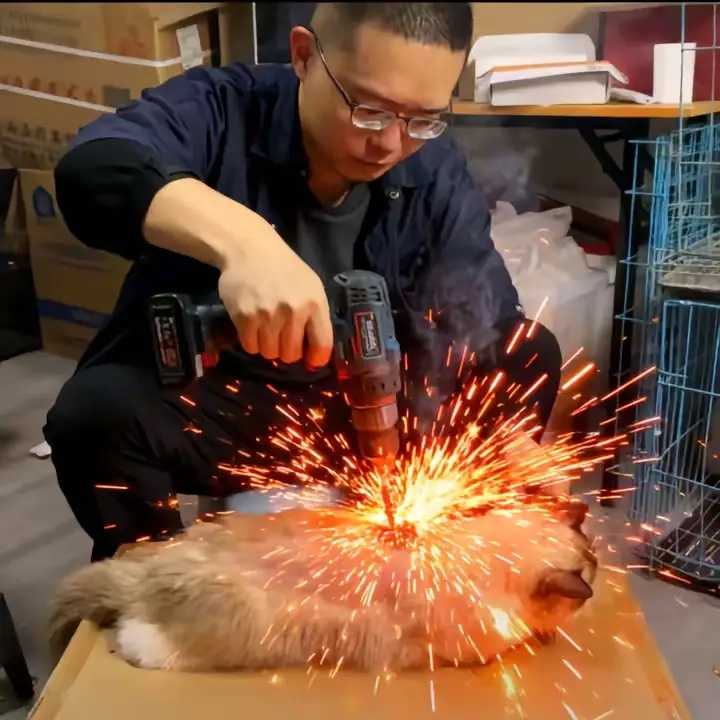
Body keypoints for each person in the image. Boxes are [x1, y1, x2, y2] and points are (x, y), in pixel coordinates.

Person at [45, 3, 562, 562]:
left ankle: (435, 552)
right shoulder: (220, 109)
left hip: (376, 416)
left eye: (422, 120)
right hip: (232, 409)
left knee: (529, 350)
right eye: (369, 110)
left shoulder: (433, 167)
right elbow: (97, 169)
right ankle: (159, 581)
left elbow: (491, 318)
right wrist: (247, 245)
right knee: (94, 414)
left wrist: (507, 434)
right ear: (304, 55)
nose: (390, 144)